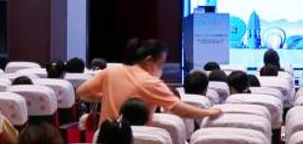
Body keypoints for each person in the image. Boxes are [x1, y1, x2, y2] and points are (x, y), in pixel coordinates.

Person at [77, 38, 221, 125]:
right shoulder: (152, 83)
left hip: (105, 138)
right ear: (149, 60)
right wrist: (208, 112)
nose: (162, 69)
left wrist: (107, 96)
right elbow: (179, 109)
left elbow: (82, 92)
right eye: (161, 64)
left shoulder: (111, 71)